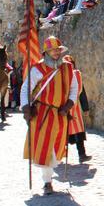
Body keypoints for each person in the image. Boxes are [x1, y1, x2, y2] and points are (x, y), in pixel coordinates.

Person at [21, 36, 80, 195]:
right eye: (53, 50)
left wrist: (68, 105)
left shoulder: (68, 68)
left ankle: (49, 175)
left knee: (58, 146)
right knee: (45, 147)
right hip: (43, 114)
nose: (56, 52)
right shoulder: (37, 69)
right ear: (46, 52)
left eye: (58, 49)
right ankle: (47, 182)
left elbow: (75, 88)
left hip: (60, 113)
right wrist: (26, 108)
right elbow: (26, 88)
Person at [63, 56, 91, 164]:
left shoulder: (77, 76)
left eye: (71, 64)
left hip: (75, 109)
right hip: (63, 108)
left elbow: (81, 92)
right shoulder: (61, 76)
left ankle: (82, 154)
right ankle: (58, 155)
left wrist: (85, 107)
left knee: (79, 132)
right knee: (63, 133)